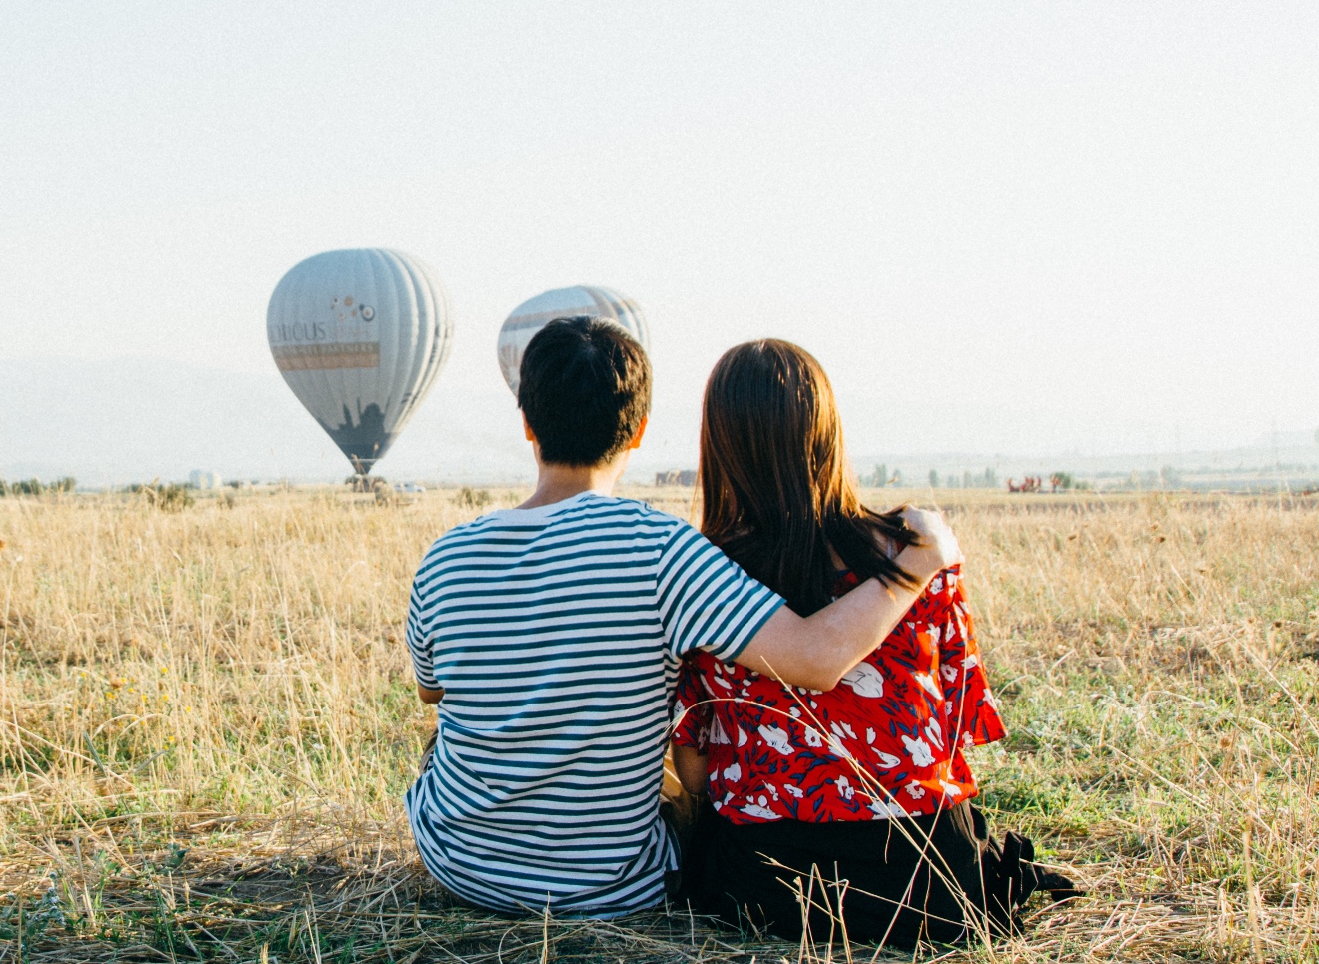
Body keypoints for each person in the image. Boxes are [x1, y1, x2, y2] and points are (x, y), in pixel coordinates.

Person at [403, 317, 964, 918]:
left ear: (527, 424)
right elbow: (815, 659)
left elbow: (431, 691)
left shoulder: (447, 556)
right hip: (608, 889)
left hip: (457, 865)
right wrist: (915, 565)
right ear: (640, 430)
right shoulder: (663, 550)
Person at [670, 339, 1074, 948]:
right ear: (827, 431)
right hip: (929, 878)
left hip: (765, 883)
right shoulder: (914, 552)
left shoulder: (707, 574)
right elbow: (958, 719)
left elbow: (696, 770)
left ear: (720, 444)